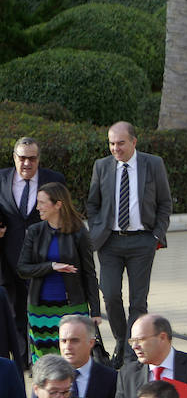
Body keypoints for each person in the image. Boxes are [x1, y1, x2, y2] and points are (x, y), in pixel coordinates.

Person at [86, 121, 172, 367]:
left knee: (138, 301)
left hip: (142, 242)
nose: (116, 148)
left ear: (134, 142)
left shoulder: (153, 164)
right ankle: (124, 343)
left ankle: (128, 354)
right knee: (111, 295)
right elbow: (93, 203)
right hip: (110, 242)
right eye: (112, 143)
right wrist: (97, 228)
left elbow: (165, 202)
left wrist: (156, 235)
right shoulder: (102, 166)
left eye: (121, 143)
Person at [17, 182, 101, 362]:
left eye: (42, 203)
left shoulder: (79, 232)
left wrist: (95, 311)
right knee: (45, 363)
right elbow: (22, 268)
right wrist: (51, 266)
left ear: (58, 204)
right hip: (39, 310)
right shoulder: (34, 231)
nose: (37, 207)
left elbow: (89, 273)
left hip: (73, 307)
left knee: (75, 361)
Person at [0, 137, 65, 366]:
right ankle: (21, 361)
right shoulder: (1, 179)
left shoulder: (54, 181)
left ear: (39, 159)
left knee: (40, 311)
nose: (27, 163)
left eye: (32, 158)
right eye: (22, 158)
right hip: (8, 258)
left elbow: (63, 215)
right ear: (14, 157)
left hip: (43, 259)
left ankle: (42, 358)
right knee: (14, 312)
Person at [59, 314, 117, 398]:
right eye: (63, 341)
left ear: (91, 343)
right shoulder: (47, 378)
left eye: (74, 341)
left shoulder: (110, 378)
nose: (67, 347)